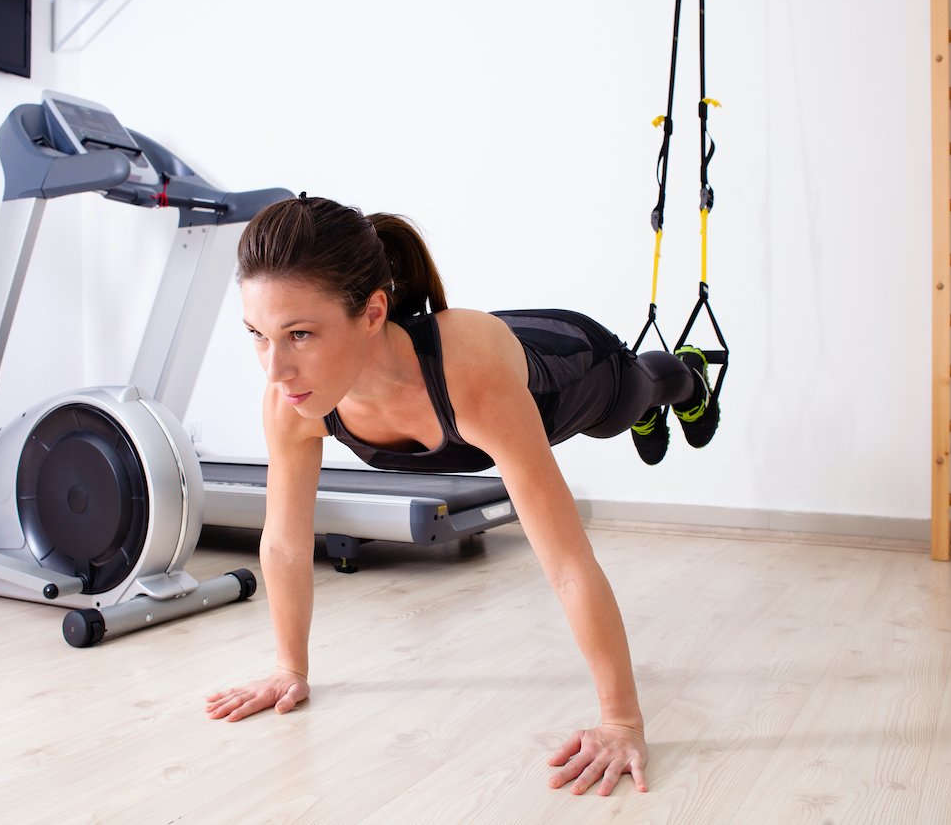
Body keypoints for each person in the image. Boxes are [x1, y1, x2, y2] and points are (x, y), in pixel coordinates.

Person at [205, 195, 719, 797]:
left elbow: (567, 564)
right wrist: (288, 669)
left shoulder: (468, 381)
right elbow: (286, 543)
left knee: (635, 396)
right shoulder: (291, 403)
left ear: (373, 312)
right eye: (258, 336)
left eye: (299, 334)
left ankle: (686, 379)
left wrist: (622, 722)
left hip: (574, 367)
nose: (276, 370)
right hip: (492, 362)